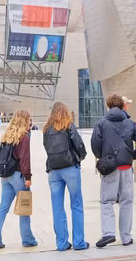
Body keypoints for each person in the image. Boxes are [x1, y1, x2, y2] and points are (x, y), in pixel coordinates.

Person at [90, 94, 136, 248]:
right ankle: (126, 237)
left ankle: (108, 233)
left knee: (107, 201)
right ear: (122, 106)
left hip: (110, 169)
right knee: (126, 202)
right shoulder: (130, 123)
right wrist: (133, 155)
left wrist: (102, 159)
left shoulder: (101, 123)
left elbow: (95, 144)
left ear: (108, 106)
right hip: (127, 168)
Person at [0, 110, 38, 250]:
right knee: (24, 208)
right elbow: (25, 159)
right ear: (25, 120)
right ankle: (28, 239)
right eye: (29, 119)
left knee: (3, 207)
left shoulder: (6, 135)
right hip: (18, 176)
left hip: (5, 176)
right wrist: (28, 177)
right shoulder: (24, 137)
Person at [43, 102, 88, 251]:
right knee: (76, 205)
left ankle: (62, 243)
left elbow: (46, 148)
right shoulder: (68, 125)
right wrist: (80, 157)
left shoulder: (47, 129)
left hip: (54, 170)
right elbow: (79, 145)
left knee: (57, 207)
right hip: (70, 168)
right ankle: (79, 242)